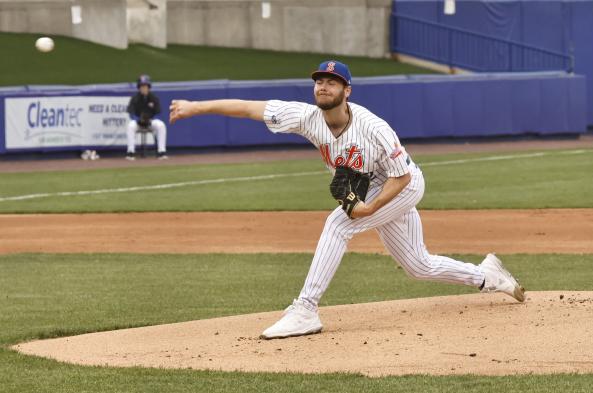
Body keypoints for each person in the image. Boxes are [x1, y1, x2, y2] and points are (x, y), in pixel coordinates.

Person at [169, 60, 525, 339]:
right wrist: (194, 107)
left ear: (347, 90)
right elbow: (248, 108)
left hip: (404, 184)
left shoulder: (374, 128)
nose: (323, 86)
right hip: (372, 186)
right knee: (418, 265)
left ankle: (305, 309)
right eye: (320, 81)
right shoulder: (307, 117)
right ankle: (486, 276)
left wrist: (368, 208)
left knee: (338, 224)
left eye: (332, 82)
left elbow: (401, 177)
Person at [126, 74, 168, 160]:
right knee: (130, 126)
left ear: (149, 87)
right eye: (142, 86)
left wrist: (150, 119)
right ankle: (131, 152)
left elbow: (159, 112)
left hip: (150, 122)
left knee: (161, 125)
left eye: (145, 86)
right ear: (139, 87)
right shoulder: (135, 98)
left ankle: (161, 152)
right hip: (138, 122)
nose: (144, 88)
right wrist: (137, 120)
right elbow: (130, 112)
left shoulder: (153, 98)